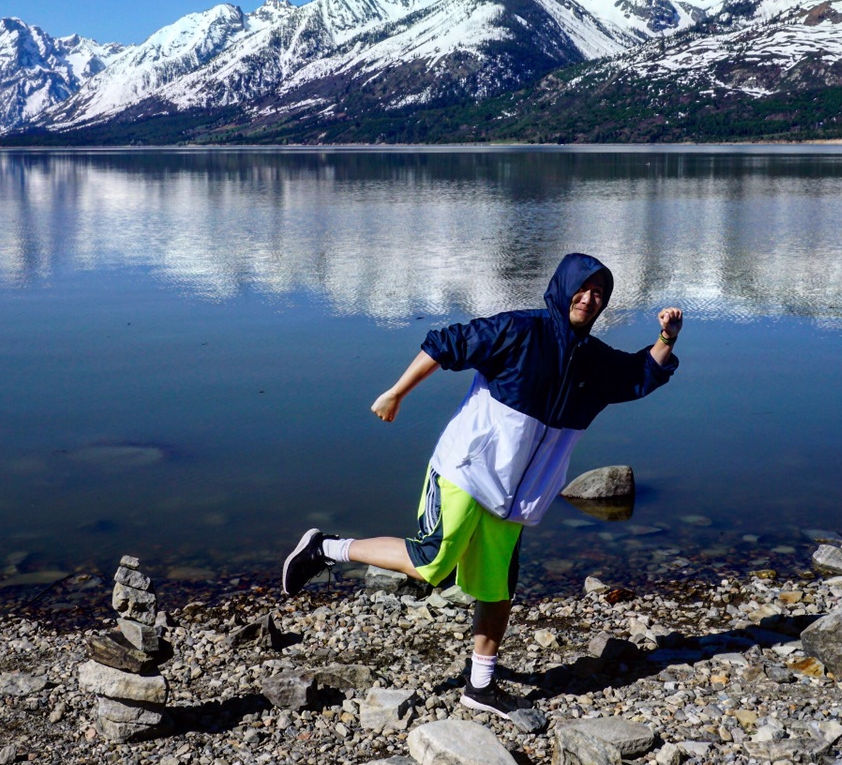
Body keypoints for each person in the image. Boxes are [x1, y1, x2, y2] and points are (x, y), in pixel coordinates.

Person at [280, 252, 683, 721]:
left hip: (518, 494)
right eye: (584, 287)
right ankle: (328, 548)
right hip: (465, 469)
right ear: (562, 287)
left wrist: (666, 338)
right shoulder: (518, 330)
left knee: (496, 589)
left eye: (600, 293)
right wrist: (396, 393)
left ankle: (480, 686)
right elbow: (445, 343)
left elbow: (638, 375)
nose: (590, 299)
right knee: (434, 560)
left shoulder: (592, 361)